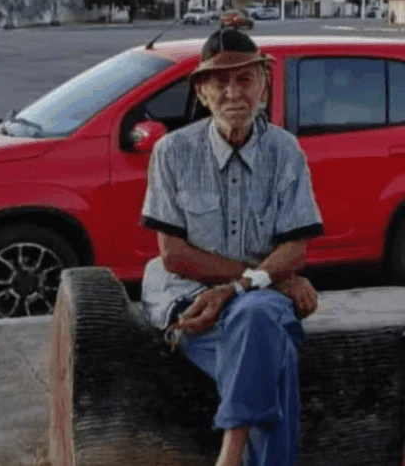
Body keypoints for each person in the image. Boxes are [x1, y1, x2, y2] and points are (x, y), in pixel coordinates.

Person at [138, 28, 324, 466]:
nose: (232, 92)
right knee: (273, 356)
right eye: (219, 82)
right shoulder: (172, 152)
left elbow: (295, 250)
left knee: (257, 318)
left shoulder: (285, 152)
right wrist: (265, 281)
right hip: (189, 298)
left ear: (263, 83)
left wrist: (240, 287)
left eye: (244, 79)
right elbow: (175, 256)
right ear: (202, 93)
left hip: (257, 297)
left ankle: (231, 451)